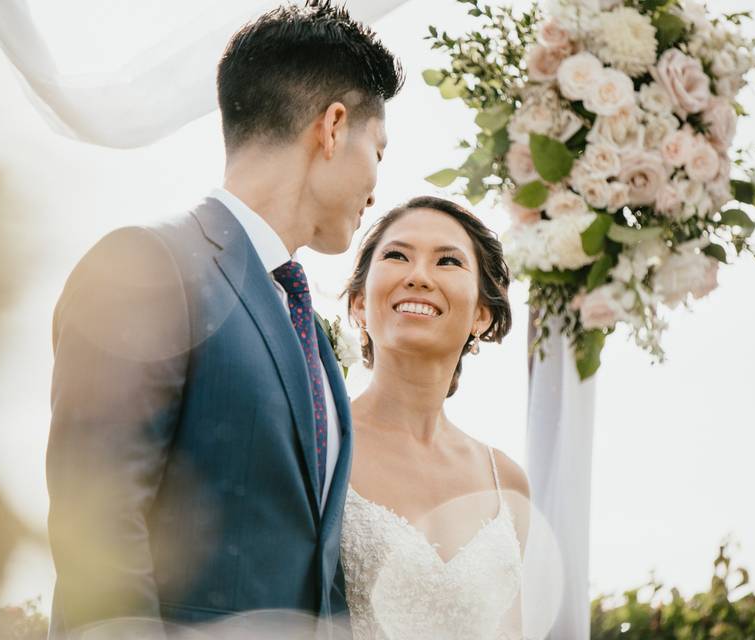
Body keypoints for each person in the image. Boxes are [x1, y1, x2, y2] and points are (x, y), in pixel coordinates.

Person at [44, 2, 403, 638]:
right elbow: (98, 531)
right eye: (379, 150)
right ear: (333, 127)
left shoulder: (308, 332)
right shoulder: (148, 264)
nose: (377, 189)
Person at [340, 196, 531, 639]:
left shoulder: (507, 482)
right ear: (359, 305)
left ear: (482, 315)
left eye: (447, 261)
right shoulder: (319, 444)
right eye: (397, 255)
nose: (418, 276)